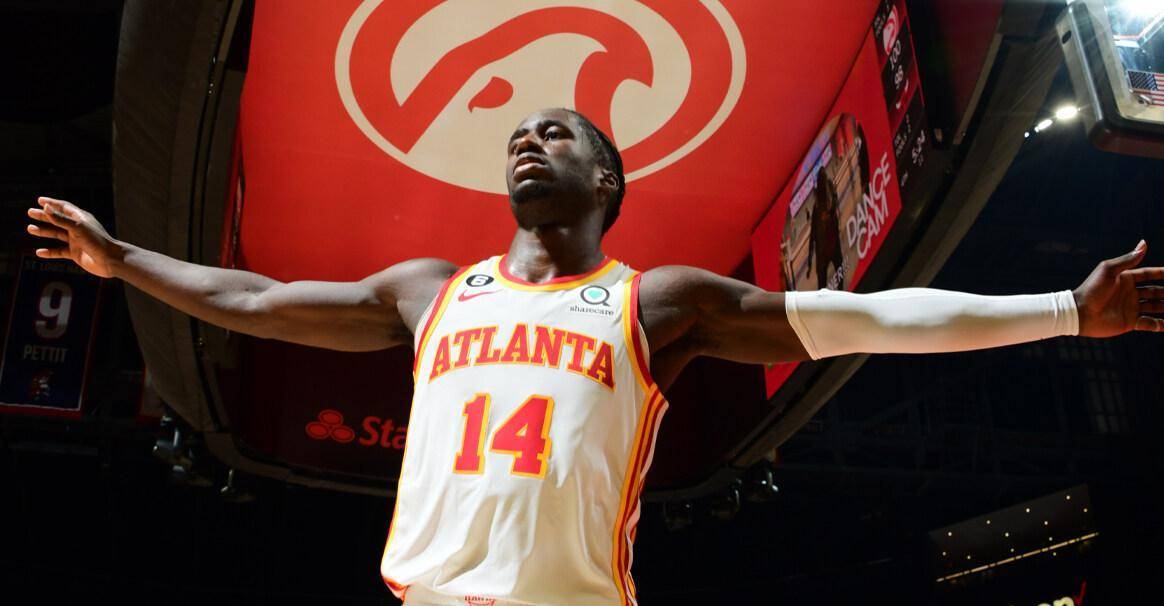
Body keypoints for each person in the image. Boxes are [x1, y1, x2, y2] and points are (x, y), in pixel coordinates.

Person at [25, 107, 1162, 606]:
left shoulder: (657, 302)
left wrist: (1065, 309)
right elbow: (256, 298)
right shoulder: (431, 291)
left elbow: (870, 318)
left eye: (557, 133)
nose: (529, 139)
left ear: (605, 181)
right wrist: (121, 262)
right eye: (519, 134)